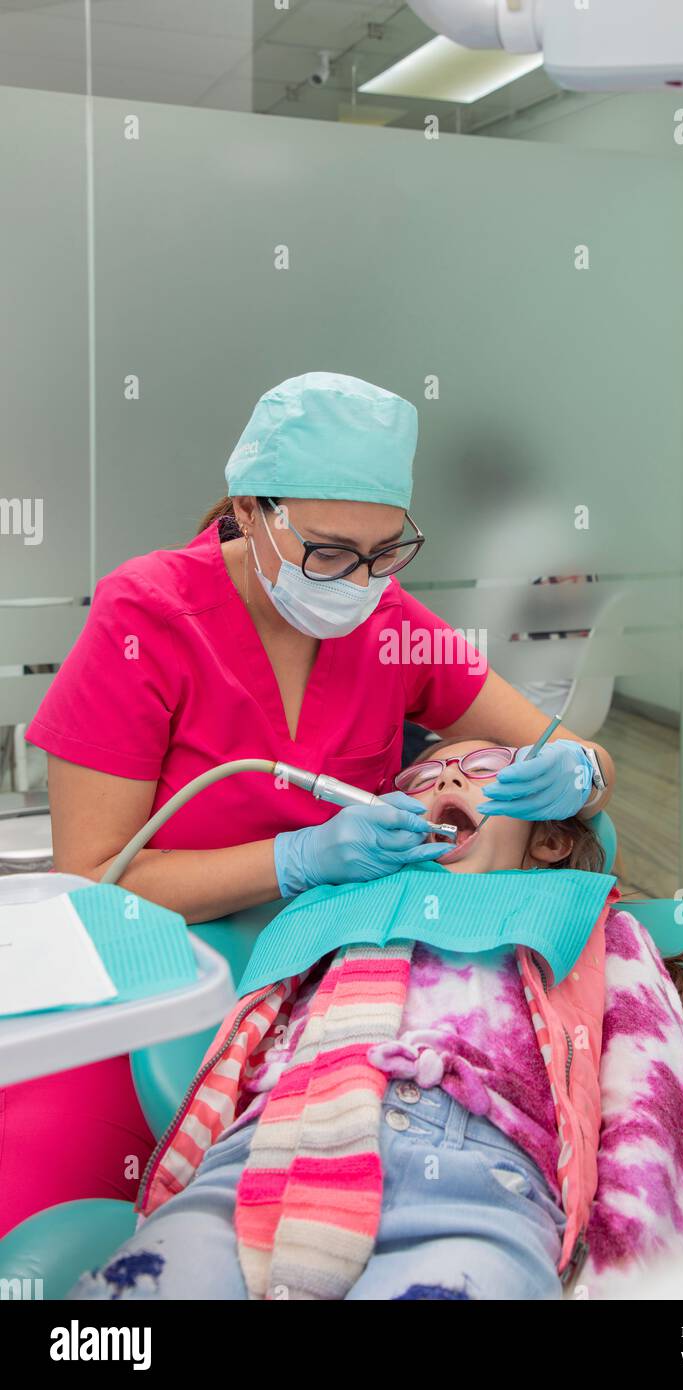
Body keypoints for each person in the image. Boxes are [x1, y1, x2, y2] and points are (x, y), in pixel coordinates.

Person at [2, 372, 614, 1237]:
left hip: (321, 995)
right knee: (67, 1222)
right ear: (254, 512)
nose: (356, 582)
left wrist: (581, 775)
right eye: (327, 552)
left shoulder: (387, 622)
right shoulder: (148, 617)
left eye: (382, 553)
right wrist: (297, 859)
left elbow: (569, 745)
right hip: (155, 993)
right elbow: (92, 880)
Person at [69, 737, 683, 1303]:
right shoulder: (336, 909)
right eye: (422, 780)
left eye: (485, 768)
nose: (449, 781)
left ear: (547, 838)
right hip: (264, 1162)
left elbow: (652, 1111)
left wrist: (625, 1275)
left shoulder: (591, 924)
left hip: (476, 1195)